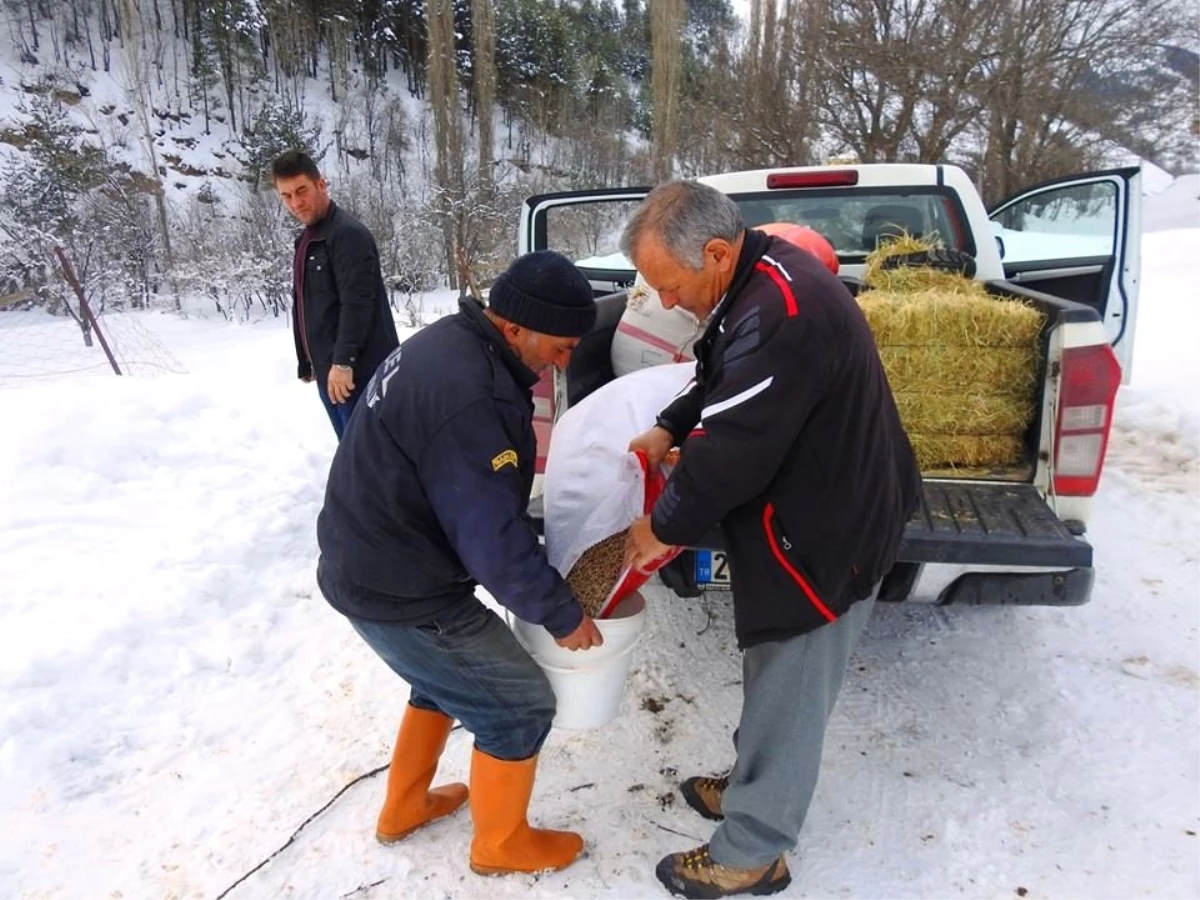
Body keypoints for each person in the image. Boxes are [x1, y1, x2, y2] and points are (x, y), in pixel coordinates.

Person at [621, 181, 920, 900]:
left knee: (791, 679)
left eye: (670, 285)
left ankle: (754, 849)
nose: (665, 303)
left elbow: (729, 448)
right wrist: (669, 421)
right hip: (812, 507)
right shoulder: (759, 277)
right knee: (773, 666)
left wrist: (658, 529)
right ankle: (756, 781)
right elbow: (723, 375)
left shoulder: (782, 310)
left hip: (830, 528)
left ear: (717, 253)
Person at [314, 250, 604, 876]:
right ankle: (500, 846)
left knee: (445, 680)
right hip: (400, 589)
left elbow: (470, 496)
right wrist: (561, 613)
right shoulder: (469, 394)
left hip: (370, 561)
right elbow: (490, 537)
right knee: (518, 706)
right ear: (513, 327)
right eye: (558, 346)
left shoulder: (453, 344)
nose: (566, 361)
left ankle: (405, 806)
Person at [271, 150, 399, 440]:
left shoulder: (347, 234)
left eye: (301, 190)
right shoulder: (307, 240)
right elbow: (305, 304)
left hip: (359, 372)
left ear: (321, 184)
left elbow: (357, 305)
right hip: (331, 372)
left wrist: (343, 363)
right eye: (286, 196)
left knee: (371, 453)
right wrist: (307, 361)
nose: (296, 202)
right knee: (352, 451)